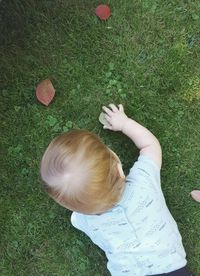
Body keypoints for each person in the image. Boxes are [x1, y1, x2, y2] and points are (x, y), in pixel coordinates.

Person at [40, 104, 193, 276]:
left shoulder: (85, 221)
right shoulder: (143, 181)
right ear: (119, 169)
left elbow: (76, 217)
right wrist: (125, 124)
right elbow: (150, 146)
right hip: (172, 268)